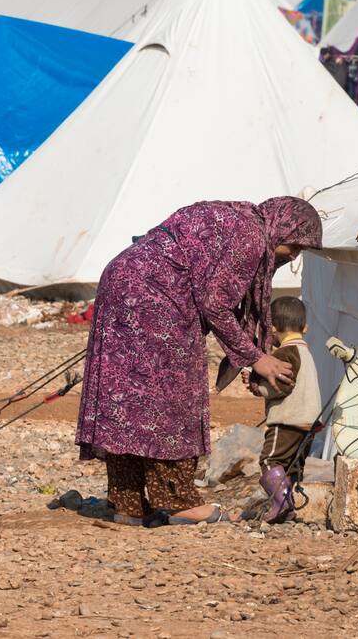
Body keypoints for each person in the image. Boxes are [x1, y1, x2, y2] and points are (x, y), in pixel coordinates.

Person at [75, 197, 322, 526]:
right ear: (282, 229)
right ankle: (178, 501)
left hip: (122, 280)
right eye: (295, 246)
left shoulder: (241, 219)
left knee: (130, 399)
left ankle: (128, 501)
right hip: (155, 297)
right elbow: (215, 303)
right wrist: (255, 358)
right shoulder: (250, 236)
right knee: (172, 398)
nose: (293, 256)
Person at [246, 296, 321, 523]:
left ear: (274, 329)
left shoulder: (285, 353)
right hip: (309, 422)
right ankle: (287, 507)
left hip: (288, 419)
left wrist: (257, 387)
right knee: (291, 465)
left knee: (270, 460)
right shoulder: (306, 353)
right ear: (305, 327)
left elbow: (280, 386)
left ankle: (280, 504)